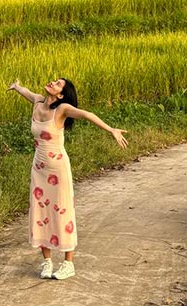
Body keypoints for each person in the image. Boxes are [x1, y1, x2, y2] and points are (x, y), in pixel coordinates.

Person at [7, 77, 128, 281]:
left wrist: (111, 130)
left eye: (58, 84)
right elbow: (25, 91)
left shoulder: (61, 109)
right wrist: (16, 86)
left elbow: (87, 114)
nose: (52, 83)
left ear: (61, 95)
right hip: (39, 169)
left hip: (58, 170)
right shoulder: (37, 102)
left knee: (62, 212)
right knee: (40, 211)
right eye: (54, 80)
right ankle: (47, 261)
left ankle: (68, 264)